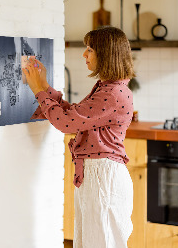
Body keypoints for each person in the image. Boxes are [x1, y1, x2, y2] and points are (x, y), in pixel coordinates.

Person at [23, 26, 135, 248]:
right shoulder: (108, 88)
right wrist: (44, 85)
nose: (84, 54)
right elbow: (74, 115)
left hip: (103, 177)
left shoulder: (112, 93)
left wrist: (38, 90)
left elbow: (66, 123)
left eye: (90, 49)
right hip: (98, 175)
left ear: (106, 54)